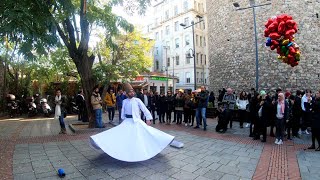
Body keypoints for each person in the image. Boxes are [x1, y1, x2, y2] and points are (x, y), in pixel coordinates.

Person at [90, 83, 175, 162]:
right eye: (129, 92)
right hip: (127, 121)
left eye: (132, 91)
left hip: (136, 121)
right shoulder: (124, 101)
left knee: (144, 135)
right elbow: (123, 111)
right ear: (126, 94)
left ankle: (142, 150)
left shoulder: (137, 100)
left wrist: (148, 118)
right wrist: (122, 119)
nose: (131, 93)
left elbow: (144, 109)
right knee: (123, 136)